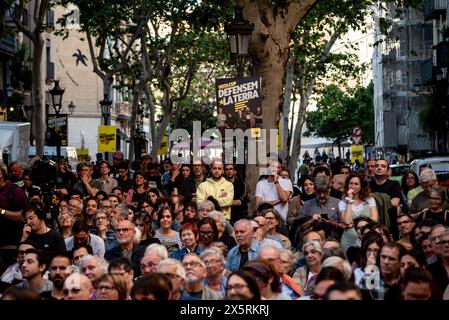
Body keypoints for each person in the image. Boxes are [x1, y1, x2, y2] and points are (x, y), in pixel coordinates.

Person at [339, 173, 378, 252]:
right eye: (351, 184)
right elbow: (346, 221)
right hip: (348, 240)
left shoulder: (370, 200)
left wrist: (353, 223)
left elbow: (374, 219)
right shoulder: (342, 202)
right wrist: (350, 200)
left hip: (367, 239)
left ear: (361, 186)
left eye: (356, 184)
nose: (353, 186)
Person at [0, 162, 27, 271]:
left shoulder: (14, 190)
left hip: (11, 245)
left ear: (2, 174)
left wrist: (1, 212)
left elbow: (23, 216)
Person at [255, 159, 293, 223]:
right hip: (265, 220)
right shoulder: (260, 184)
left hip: (281, 222)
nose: (275, 169)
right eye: (272, 166)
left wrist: (276, 182)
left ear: (281, 170)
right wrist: (279, 200)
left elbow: (284, 199)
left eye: (278, 167)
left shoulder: (287, 182)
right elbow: (259, 204)